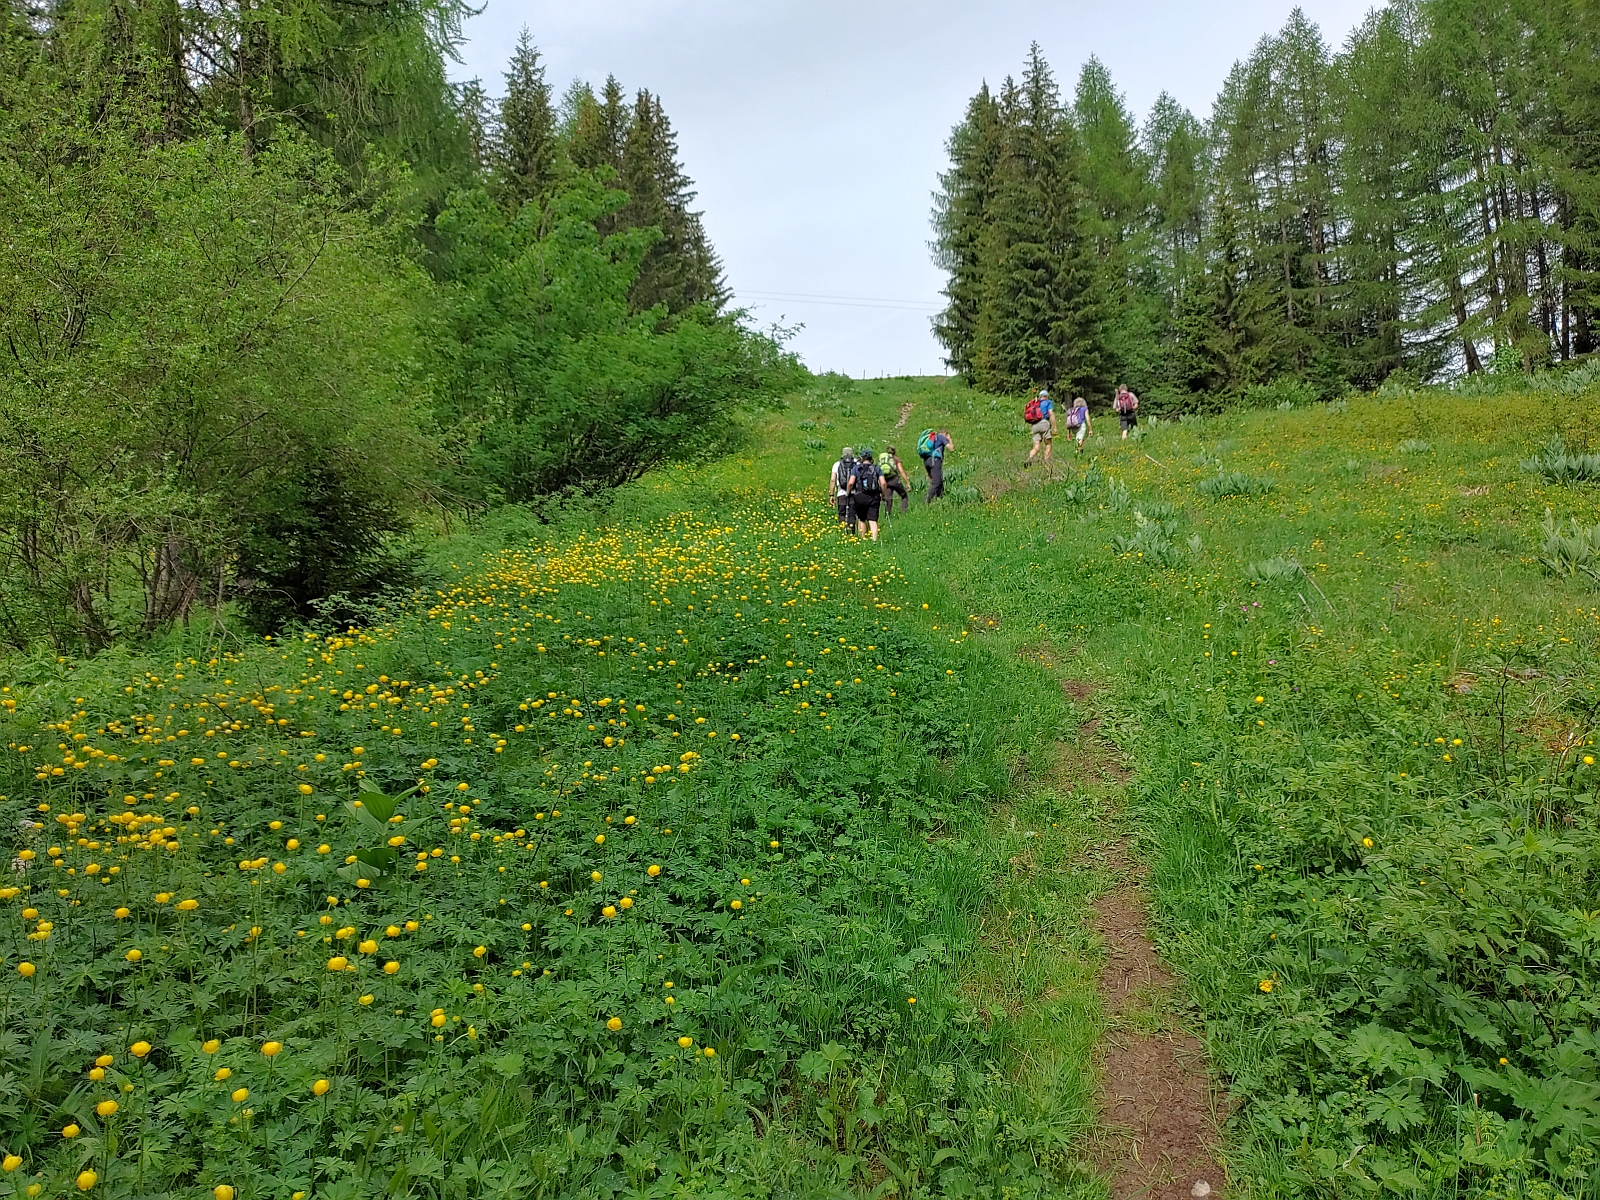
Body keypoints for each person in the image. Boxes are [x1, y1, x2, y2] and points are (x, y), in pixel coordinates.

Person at [848, 449, 884, 541]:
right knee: (873, 520)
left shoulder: (856, 468)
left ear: (862, 458)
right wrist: (883, 495)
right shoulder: (876, 468)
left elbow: (851, 482)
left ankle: (862, 539)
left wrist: (848, 492)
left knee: (861, 519)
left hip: (860, 495)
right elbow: (883, 483)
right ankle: (874, 540)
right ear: (871, 458)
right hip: (874, 496)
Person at [1023, 388, 1055, 468]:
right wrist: (1054, 427)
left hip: (1034, 425)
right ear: (1046, 396)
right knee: (1048, 444)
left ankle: (1030, 458)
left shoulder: (1035, 404)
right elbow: (1051, 414)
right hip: (1044, 423)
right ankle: (1047, 462)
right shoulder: (1048, 402)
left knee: (1036, 447)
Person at [918, 429, 953, 502]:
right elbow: (951, 449)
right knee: (936, 482)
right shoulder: (941, 437)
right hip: (935, 460)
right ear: (945, 434)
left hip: (927, 461)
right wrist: (949, 439)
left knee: (939, 481)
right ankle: (927, 500)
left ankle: (940, 499)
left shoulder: (934, 438)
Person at [829, 447, 856, 531]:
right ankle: (852, 532)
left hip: (841, 492)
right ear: (852, 454)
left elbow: (833, 480)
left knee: (842, 514)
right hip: (853, 492)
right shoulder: (857, 464)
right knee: (852, 513)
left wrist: (831, 494)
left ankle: (843, 532)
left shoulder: (837, 464)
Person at [881, 445, 909, 517]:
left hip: (886, 480)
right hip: (894, 479)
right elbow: (901, 471)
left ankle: (887, 515)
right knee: (904, 495)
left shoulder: (884, 459)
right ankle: (904, 513)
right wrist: (907, 482)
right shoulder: (895, 459)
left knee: (888, 499)